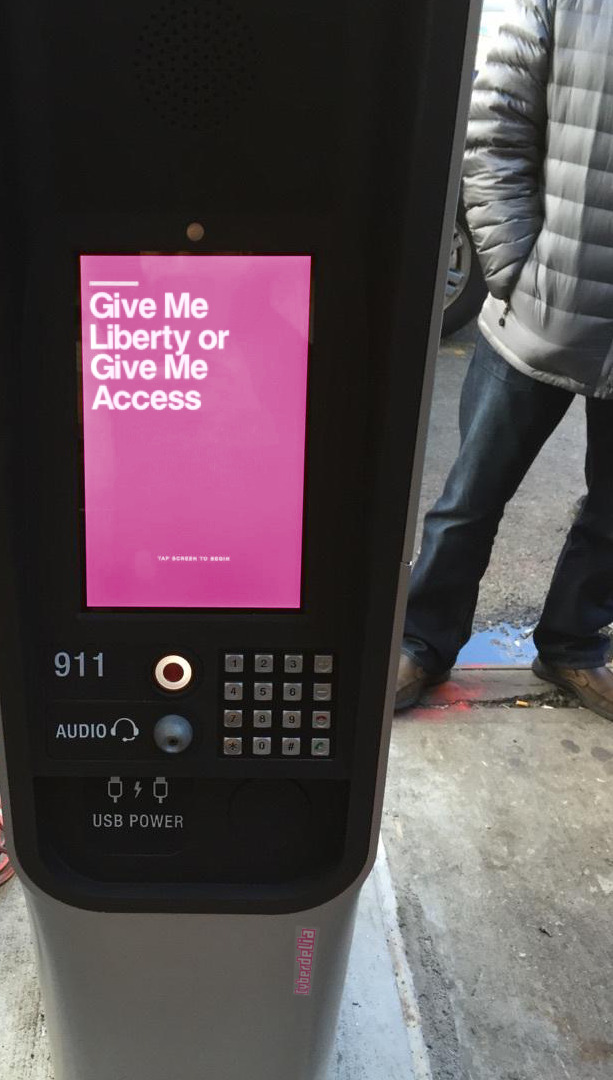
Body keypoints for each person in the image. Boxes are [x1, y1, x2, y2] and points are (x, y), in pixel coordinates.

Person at [396, 0, 613, 720]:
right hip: (539, 309)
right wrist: (517, 272)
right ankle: (420, 643)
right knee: (469, 499)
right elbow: (494, 130)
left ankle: (573, 646)